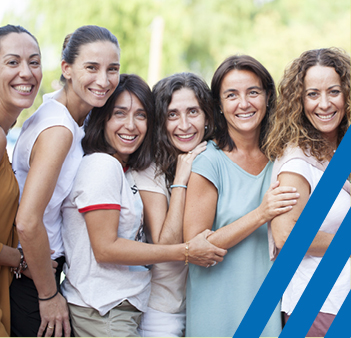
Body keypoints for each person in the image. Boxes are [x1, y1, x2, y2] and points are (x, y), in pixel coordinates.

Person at [60, 73, 227, 337]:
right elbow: (109, 248)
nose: (131, 125)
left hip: (146, 305)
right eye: (172, 114)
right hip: (113, 307)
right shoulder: (107, 166)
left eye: (140, 115)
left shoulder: (124, 167)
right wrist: (181, 183)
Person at [10, 25, 121, 337]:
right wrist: (48, 295)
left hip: (39, 272)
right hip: (33, 279)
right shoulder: (59, 129)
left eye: (113, 69)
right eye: (92, 68)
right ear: (67, 69)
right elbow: (28, 221)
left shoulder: (65, 116)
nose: (104, 80)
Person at [183, 55, 300, 337]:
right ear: (219, 106)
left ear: (268, 97)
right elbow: (196, 247)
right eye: (231, 95)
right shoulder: (209, 162)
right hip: (216, 313)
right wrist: (261, 214)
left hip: (269, 309)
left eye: (253, 92)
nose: (243, 103)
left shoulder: (283, 158)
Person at [265, 47, 350, 337]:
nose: (324, 104)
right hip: (318, 305)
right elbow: (286, 237)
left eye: (334, 92)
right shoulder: (297, 159)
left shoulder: (340, 153)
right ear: (299, 101)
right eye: (313, 94)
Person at [132, 72, 215, 337]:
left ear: (207, 116)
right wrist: (181, 179)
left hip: (205, 304)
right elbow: (165, 245)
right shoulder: (148, 170)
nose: (184, 124)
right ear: (161, 121)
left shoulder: (214, 159)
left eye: (193, 112)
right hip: (162, 310)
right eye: (172, 114)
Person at [0, 24, 42, 337]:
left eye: (34, 62)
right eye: (12, 62)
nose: (26, 73)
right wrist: (20, 259)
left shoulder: (13, 133)